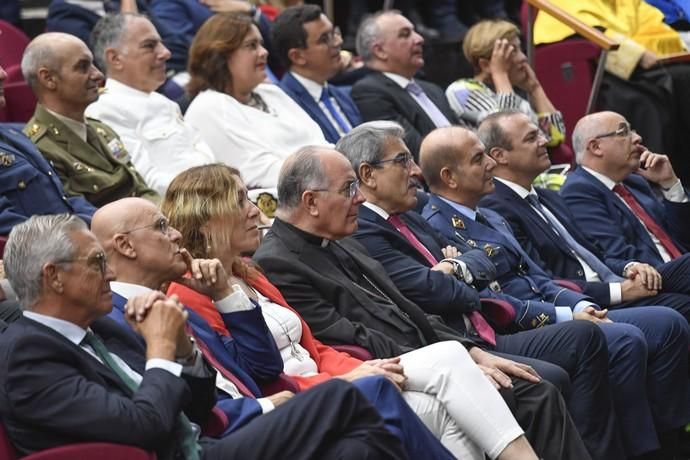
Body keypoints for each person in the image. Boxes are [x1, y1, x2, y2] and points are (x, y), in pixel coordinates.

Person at [161, 163, 582, 460]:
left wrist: (357, 369)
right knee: (455, 389)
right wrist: (349, 374)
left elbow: (317, 343)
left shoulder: (250, 273)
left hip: (345, 370)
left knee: (461, 368)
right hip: (305, 396)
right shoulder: (199, 290)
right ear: (210, 214)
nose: (256, 209)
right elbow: (259, 373)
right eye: (241, 201)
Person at [254, 145, 620, 459]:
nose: (360, 198)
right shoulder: (279, 262)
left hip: (435, 352)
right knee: (537, 392)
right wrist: (452, 365)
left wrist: (469, 352)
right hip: (394, 367)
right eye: (349, 188)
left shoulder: (342, 235)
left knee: (540, 383)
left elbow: (404, 305)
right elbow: (354, 336)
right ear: (311, 201)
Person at [0, 213, 407, 460]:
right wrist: (160, 350)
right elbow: (144, 426)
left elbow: (199, 406)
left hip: (204, 443)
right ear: (53, 276)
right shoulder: (27, 356)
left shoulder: (102, 327)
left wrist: (182, 351)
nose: (109, 274)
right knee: (343, 397)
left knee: (358, 450)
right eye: (96, 263)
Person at [417, 122, 690, 459]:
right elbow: (492, 301)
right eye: (478, 159)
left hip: (553, 308)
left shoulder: (489, 216)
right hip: (515, 326)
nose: (490, 164)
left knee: (663, 321)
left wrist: (581, 306)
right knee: (624, 338)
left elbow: (539, 278)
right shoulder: (438, 225)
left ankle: (663, 442)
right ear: (450, 177)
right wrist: (569, 313)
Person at [477, 110, 690, 316]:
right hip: (588, 303)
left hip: (625, 282)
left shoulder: (548, 197)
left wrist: (629, 267)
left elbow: (598, 253)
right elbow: (542, 278)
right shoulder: (496, 208)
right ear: (499, 156)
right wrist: (620, 290)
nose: (544, 141)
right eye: (532, 138)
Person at [184, 12, 329, 215]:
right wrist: (332, 172)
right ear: (220, 55)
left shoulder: (271, 92)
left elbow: (319, 140)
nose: (264, 52)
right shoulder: (208, 108)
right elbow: (264, 172)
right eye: (251, 46)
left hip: (324, 191)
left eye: (261, 44)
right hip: (281, 211)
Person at [533, 0, 690, 182]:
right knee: (649, 98)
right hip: (605, 70)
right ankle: (651, 174)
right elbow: (586, 31)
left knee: (683, 77)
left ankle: (679, 176)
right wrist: (636, 53)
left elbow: (651, 23)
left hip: (647, 65)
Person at [560, 111, 690, 311]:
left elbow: (682, 239)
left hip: (679, 270)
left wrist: (669, 184)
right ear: (595, 147)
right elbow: (616, 254)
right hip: (646, 277)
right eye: (623, 132)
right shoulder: (578, 190)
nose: (637, 138)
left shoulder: (634, 181)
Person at [20, 32, 159, 207]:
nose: (98, 74)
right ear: (49, 79)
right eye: (83, 67)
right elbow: (78, 218)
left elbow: (142, 190)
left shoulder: (102, 130)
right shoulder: (38, 149)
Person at [86, 13, 215, 195]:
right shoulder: (103, 111)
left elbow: (205, 155)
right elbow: (144, 182)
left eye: (161, 44)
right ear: (115, 58)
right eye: (149, 46)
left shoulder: (164, 102)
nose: (165, 53)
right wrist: (213, 188)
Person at [0, 62, 95, 236]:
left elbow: (63, 198)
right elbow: (13, 234)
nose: (3, 74)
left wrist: (104, 219)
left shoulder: (13, 134)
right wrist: (84, 233)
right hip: (49, 253)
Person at [351, 10, 460, 159]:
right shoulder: (370, 92)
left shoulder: (433, 89)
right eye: (405, 34)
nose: (419, 39)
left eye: (414, 31)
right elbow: (416, 151)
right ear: (380, 51)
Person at [445, 19, 565, 148]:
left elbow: (556, 137)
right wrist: (500, 74)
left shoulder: (515, 100)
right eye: (512, 52)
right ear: (485, 65)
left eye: (520, 49)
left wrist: (535, 88)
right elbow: (508, 132)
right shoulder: (461, 91)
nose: (523, 58)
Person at [272, 5, 362, 144]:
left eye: (334, 33)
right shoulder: (284, 104)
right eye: (325, 39)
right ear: (297, 56)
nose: (338, 42)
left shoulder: (341, 95)